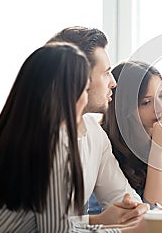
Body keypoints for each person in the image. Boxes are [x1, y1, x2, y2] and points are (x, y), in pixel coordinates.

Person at [0, 43, 147, 232]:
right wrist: (124, 230)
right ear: (67, 92)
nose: (113, 83)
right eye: (84, 88)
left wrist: (107, 218)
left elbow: (51, 225)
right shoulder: (53, 146)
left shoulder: (39, 137)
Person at [46, 27, 146, 218]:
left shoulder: (94, 132)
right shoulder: (40, 137)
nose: (114, 82)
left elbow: (120, 195)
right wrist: (99, 221)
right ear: (79, 79)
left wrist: (137, 211)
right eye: (106, 73)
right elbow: (50, 227)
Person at [102, 61, 162, 218]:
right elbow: (154, 214)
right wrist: (156, 150)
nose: (160, 108)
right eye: (146, 102)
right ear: (125, 108)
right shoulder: (105, 142)